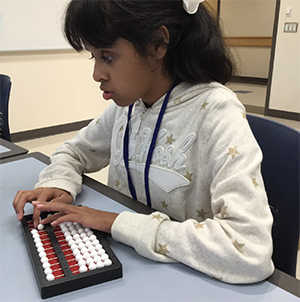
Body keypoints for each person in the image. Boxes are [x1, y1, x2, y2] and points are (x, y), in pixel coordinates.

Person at [13, 0, 274, 283]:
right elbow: (73, 152)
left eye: (108, 57)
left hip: (188, 279)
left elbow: (250, 252)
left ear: (157, 44)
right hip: (131, 267)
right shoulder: (128, 107)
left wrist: (114, 222)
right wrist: (58, 183)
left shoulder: (217, 114)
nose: (97, 74)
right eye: (94, 57)